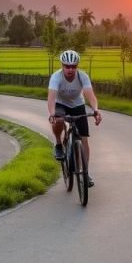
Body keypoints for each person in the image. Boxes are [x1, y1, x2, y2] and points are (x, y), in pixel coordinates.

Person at [47, 49, 102, 187]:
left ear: (77, 66)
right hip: (60, 104)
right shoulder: (56, 77)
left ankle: (85, 172)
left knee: (84, 139)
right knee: (58, 120)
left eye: (73, 66)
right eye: (67, 66)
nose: (70, 69)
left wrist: (95, 109)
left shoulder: (82, 76)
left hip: (78, 104)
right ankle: (59, 143)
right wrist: (52, 113)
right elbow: (51, 98)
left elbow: (90, 95)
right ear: (62, 66)